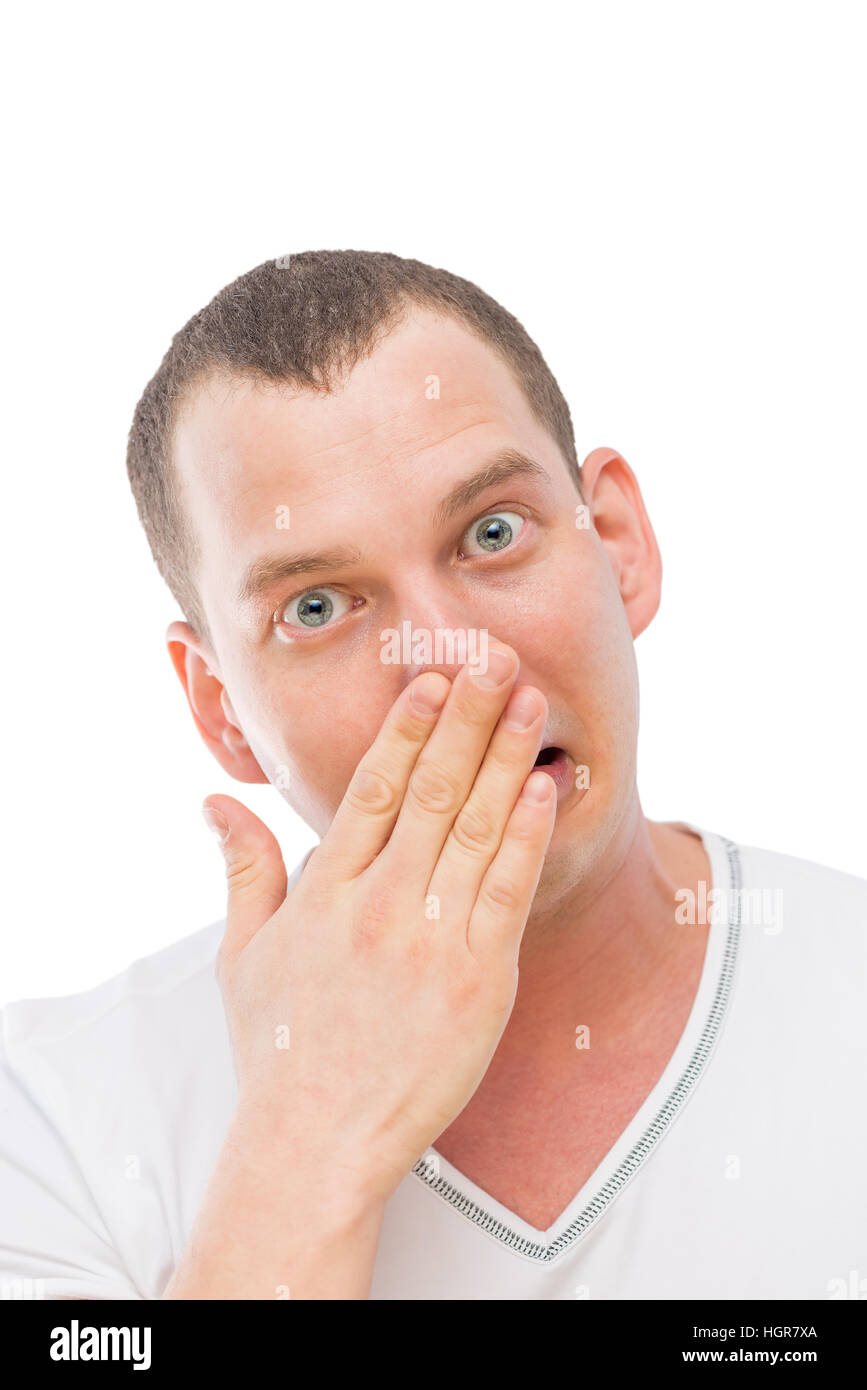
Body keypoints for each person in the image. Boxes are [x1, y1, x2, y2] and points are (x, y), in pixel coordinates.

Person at [1, 251, 864, 1301]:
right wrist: (307, 1132)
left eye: (492, 534)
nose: (454, 663)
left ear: (620, 546)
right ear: (219, 709)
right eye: (317, 606)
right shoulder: (49, 1121)